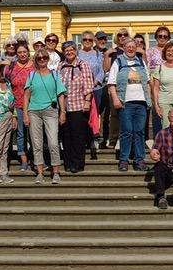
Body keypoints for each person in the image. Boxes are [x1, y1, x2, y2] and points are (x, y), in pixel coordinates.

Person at [23, 47, 67, 184]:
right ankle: (40, 172)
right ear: (35, 60)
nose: (42, 60)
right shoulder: (31, 75)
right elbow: (26, 96)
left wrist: (63, 112)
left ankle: (56, 172)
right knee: (36, 143)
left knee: (53, 142)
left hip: (51, 111)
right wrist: (25, 114)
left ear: (48, 59)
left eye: (44, 57)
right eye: (39, 58)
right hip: (34, 111)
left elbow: (61, 94)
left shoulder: (54, 75)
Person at [107, 36, 151, 172]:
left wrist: (148, 98)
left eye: (133, 47)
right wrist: (116, 99)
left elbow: (148, 82)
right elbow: (111, 83)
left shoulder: (141, 62)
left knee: (139, 132)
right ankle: (124, 160)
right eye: (128, 47)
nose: (131, 49)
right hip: (125, 102)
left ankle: (140, 160)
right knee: (126, 132)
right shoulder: (118, 62)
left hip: (141, 102)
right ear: (124, 48)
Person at [59, 41, 95, 173]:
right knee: (66, 135)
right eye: (66, 50)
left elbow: (88, 84)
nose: (69, 52)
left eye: (71, 50)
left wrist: (87, 101)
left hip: (78, 105)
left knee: (78, 136)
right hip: (64, 106)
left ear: (75, 51)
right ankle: (68, 163)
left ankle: (78, 163)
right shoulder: (61, 66)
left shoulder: (82, 65)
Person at [7, 43, 35, 172]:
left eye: (24, 52)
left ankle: (37, 159)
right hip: (17, 104)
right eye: (19, 52)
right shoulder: (12, 67)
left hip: (34, 104)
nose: (22, 54)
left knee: (35, 133)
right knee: (21, 133)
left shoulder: (35, 66)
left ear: (28, 52)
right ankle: (23, 160)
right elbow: (8, 85)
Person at [102, 28, 130, 148]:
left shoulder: (131, 50)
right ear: (116, 37)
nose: (122, 37)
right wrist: (107, 55)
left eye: (125, 34)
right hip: (116, 87)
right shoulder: (113, 52)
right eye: (120, 35)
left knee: (129, 114)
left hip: (130, 86)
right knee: (114, 115)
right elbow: (106, 69)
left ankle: (128, 139)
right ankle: (112, 139)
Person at [145, 26, 171, 137]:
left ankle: (169, 138)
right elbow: (146, 67)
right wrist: (150, 81)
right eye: (160, 36)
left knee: (169, 111)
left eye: (165, 36)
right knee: (156, 112)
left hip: (168, 83)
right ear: (156, 37)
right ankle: (157, 139)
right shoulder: (150, 51)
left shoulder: (171, 50)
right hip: (154, 83)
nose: (162, 38)